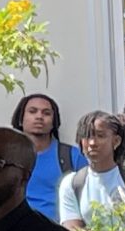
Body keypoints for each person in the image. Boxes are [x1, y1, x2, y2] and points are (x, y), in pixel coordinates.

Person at [10, 92, 80, 221]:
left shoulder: (72, 156)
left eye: (46, 113)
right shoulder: (7, 156)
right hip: (16, 228)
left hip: (60, 230)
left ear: (54, 122)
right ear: (20, 119)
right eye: (32, 111)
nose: (39, 117)